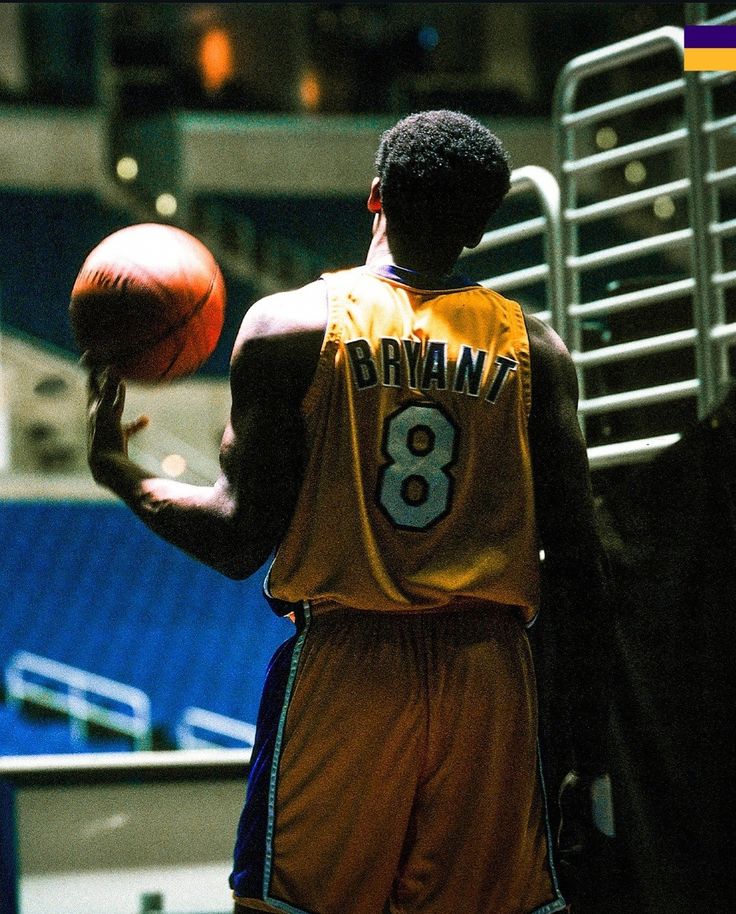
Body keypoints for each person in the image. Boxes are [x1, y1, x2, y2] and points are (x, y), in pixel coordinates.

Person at [87, 110, 610, 914]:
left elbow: (236, 541)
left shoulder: (291, 327)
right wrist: (578, 740)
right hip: (492, 678)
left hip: (348, 672)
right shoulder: (537, 351)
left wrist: (125, 476)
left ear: (376, 197)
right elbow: (580, 562)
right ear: (477, 230)